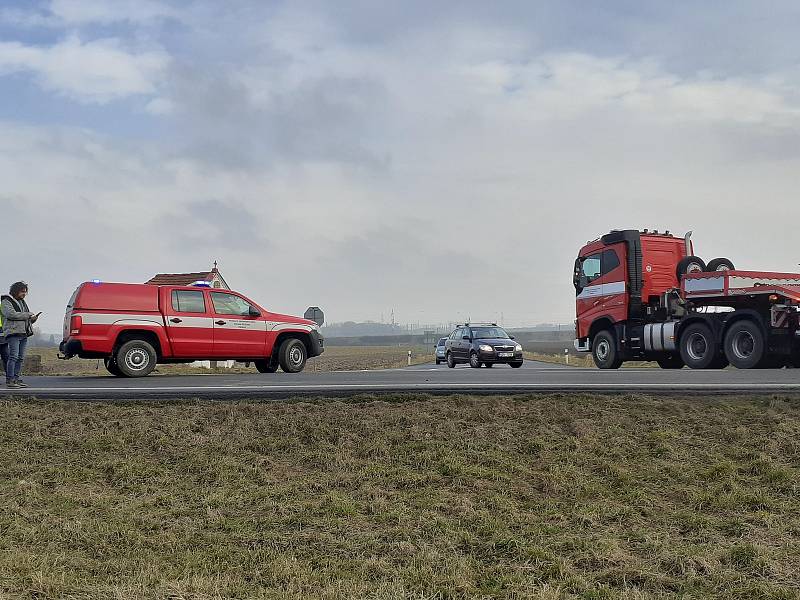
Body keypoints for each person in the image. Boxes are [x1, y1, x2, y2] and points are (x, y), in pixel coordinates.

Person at [1, 282, 40, 389]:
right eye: (22, 291)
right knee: (13, 356)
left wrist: (32, 320)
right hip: (13, 333)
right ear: (15, 291)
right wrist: (28, 315)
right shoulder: (6, 301)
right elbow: (11, 314)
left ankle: (16, 378)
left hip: (23, 333)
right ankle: (10, 380)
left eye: (25, 292)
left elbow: (23, 318)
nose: (24, 294)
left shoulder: (22, 302)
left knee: (20, 357)